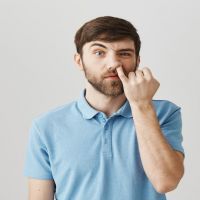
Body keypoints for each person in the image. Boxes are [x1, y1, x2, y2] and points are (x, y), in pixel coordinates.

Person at [24, 16, 185, 200]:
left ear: (137, 61)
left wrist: (142, 105)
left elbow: (166, 181)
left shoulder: (164, 113)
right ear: (79, 61)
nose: (114, 63)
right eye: (99, 52)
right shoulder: (46, 126)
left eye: (124, 53)